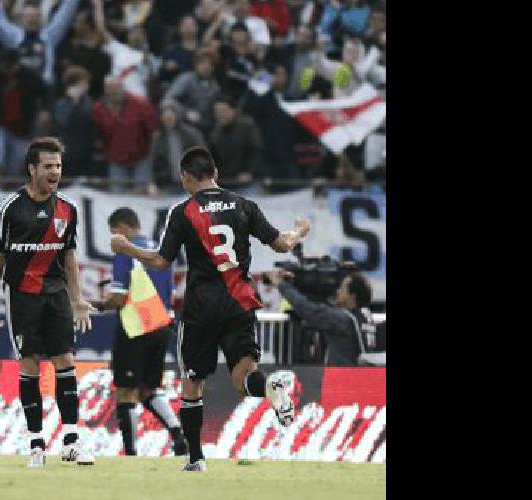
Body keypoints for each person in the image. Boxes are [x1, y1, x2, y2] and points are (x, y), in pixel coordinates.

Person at [110, 146, 311, 472]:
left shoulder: (183, 211)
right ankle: (272, 390)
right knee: (243, 378)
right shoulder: (244, 205)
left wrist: (127, 247)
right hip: (239, 303)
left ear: (186, 177)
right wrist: (301, 229)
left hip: (201, 307)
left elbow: (161, 261)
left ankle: (196, 459)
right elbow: (282, 244)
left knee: (193, 384)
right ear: (215, 173)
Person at [0, 137, 96, 468]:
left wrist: (78, 299)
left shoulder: (68, 210)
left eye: (58, 166)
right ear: (32, 169)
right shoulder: (9, 209)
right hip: (22, 296)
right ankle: (36, 444)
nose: (55, 172)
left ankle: (72, 442)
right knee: (30, 365)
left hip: (55, 295)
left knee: (65, 362)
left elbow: (70, 255)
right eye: (48, 166)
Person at [90, 208, 188, 458]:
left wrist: (99, 304)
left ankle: (131, 453)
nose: (113, 239)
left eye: (113, 233)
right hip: (161, 326)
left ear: (122, 228)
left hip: (136, 327)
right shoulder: (161, 250)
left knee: (125, 391)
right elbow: (168, 292)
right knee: (148, 390)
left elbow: (120, 298)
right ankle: (177, 434)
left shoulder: (125, 250)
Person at [266, 269, 376, 366]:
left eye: (342, 288)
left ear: (352, 295)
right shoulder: (365, 316)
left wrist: (281, 284)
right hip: (362, 378)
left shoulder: (342, 319)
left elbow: (308, 309)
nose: (338, 291)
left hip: (343, 381)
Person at [0, 0, 83, 87]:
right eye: (28, 16)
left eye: (36, 16)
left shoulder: (49, 36)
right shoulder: (14, 36)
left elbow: (66, 13)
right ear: (21, 18)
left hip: (45, 87)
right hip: (21, 87)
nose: (32, 19)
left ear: (41, 18)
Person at [92, 76, 158, 194]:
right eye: (109, 88)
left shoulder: (141, 104)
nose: (113, 91)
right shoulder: (98, 109)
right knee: (117, 197)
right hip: (116, 160)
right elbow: (98, 134)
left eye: (116, 87)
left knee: (141, 196)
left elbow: (154, 131)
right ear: (105, 90)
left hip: (141, 158)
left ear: (122, 87)